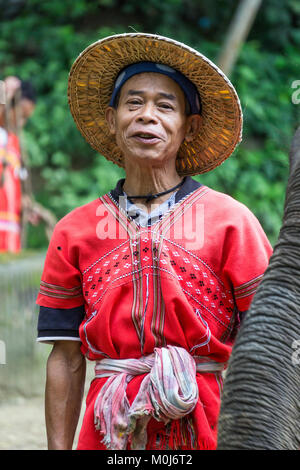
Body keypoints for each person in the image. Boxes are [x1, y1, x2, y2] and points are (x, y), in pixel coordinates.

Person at [36, 33, 273, 450]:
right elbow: (66, 359)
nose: (147, 116)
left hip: (210, 428)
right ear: (112, 121)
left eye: (165, 106)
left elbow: (267, 347)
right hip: (110, 431)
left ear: (189, 126)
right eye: (133, 103)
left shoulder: (232, 223)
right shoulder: (73, 232)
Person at [0, 76, 36, 252]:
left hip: (10, 230)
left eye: (26, 118)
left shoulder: (15, 144)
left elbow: (18, 180)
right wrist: (4, 91)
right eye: (20, 115)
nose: (22, 123)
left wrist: (27, 203)